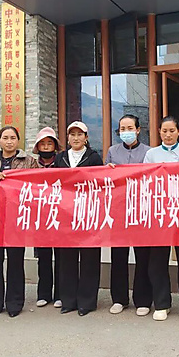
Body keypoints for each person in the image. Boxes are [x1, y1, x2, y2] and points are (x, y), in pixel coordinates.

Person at [0, 126, 38, 318]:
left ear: (18, 140)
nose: (9, 141)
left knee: (15, 260)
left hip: (16, 218)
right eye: (5, 137)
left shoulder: (29, 161)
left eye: (12, 138)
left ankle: (14, 303)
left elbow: (38, 183)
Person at [143, 116, 179, 322]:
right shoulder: (151, 154)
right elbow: (144, 180)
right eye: (164, 131)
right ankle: (162, 303)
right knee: (157, 261)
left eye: (171, 131)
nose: (168, 135)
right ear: (159, 132)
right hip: (159, 213)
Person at [105, 115, 152, 316]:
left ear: (138, 130)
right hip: (118, 210)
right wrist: (107, 171)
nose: (126, 131)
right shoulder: (112, 151)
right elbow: (104, 180)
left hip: (141, 210)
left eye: (130, 128)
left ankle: (143, 299)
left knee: (143, 256)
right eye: (122, 128)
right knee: (118, 256)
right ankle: (119, 298)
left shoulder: (149, 152)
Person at [55, 121, 104, 316]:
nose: (76, 138)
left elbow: (100, 183)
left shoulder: (94, 157)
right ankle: (68, 300)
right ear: (67, 138)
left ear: (86, 137)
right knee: (67, 258)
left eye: (79, 134)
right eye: (72, 134)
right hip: (65, 215)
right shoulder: (60, 158)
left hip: (88, 214)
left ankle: (87, 302)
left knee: (89, 258)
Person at [33, 127, 63, 309]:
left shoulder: (62, 162)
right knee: (43, 257)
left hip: (60, 214)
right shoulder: (31, 164)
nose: (46, 147)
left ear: (55, 145)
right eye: (42, 143)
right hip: (40, 216)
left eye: (49, 143)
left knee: (61, 256)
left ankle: (60, 294)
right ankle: (43, 293)